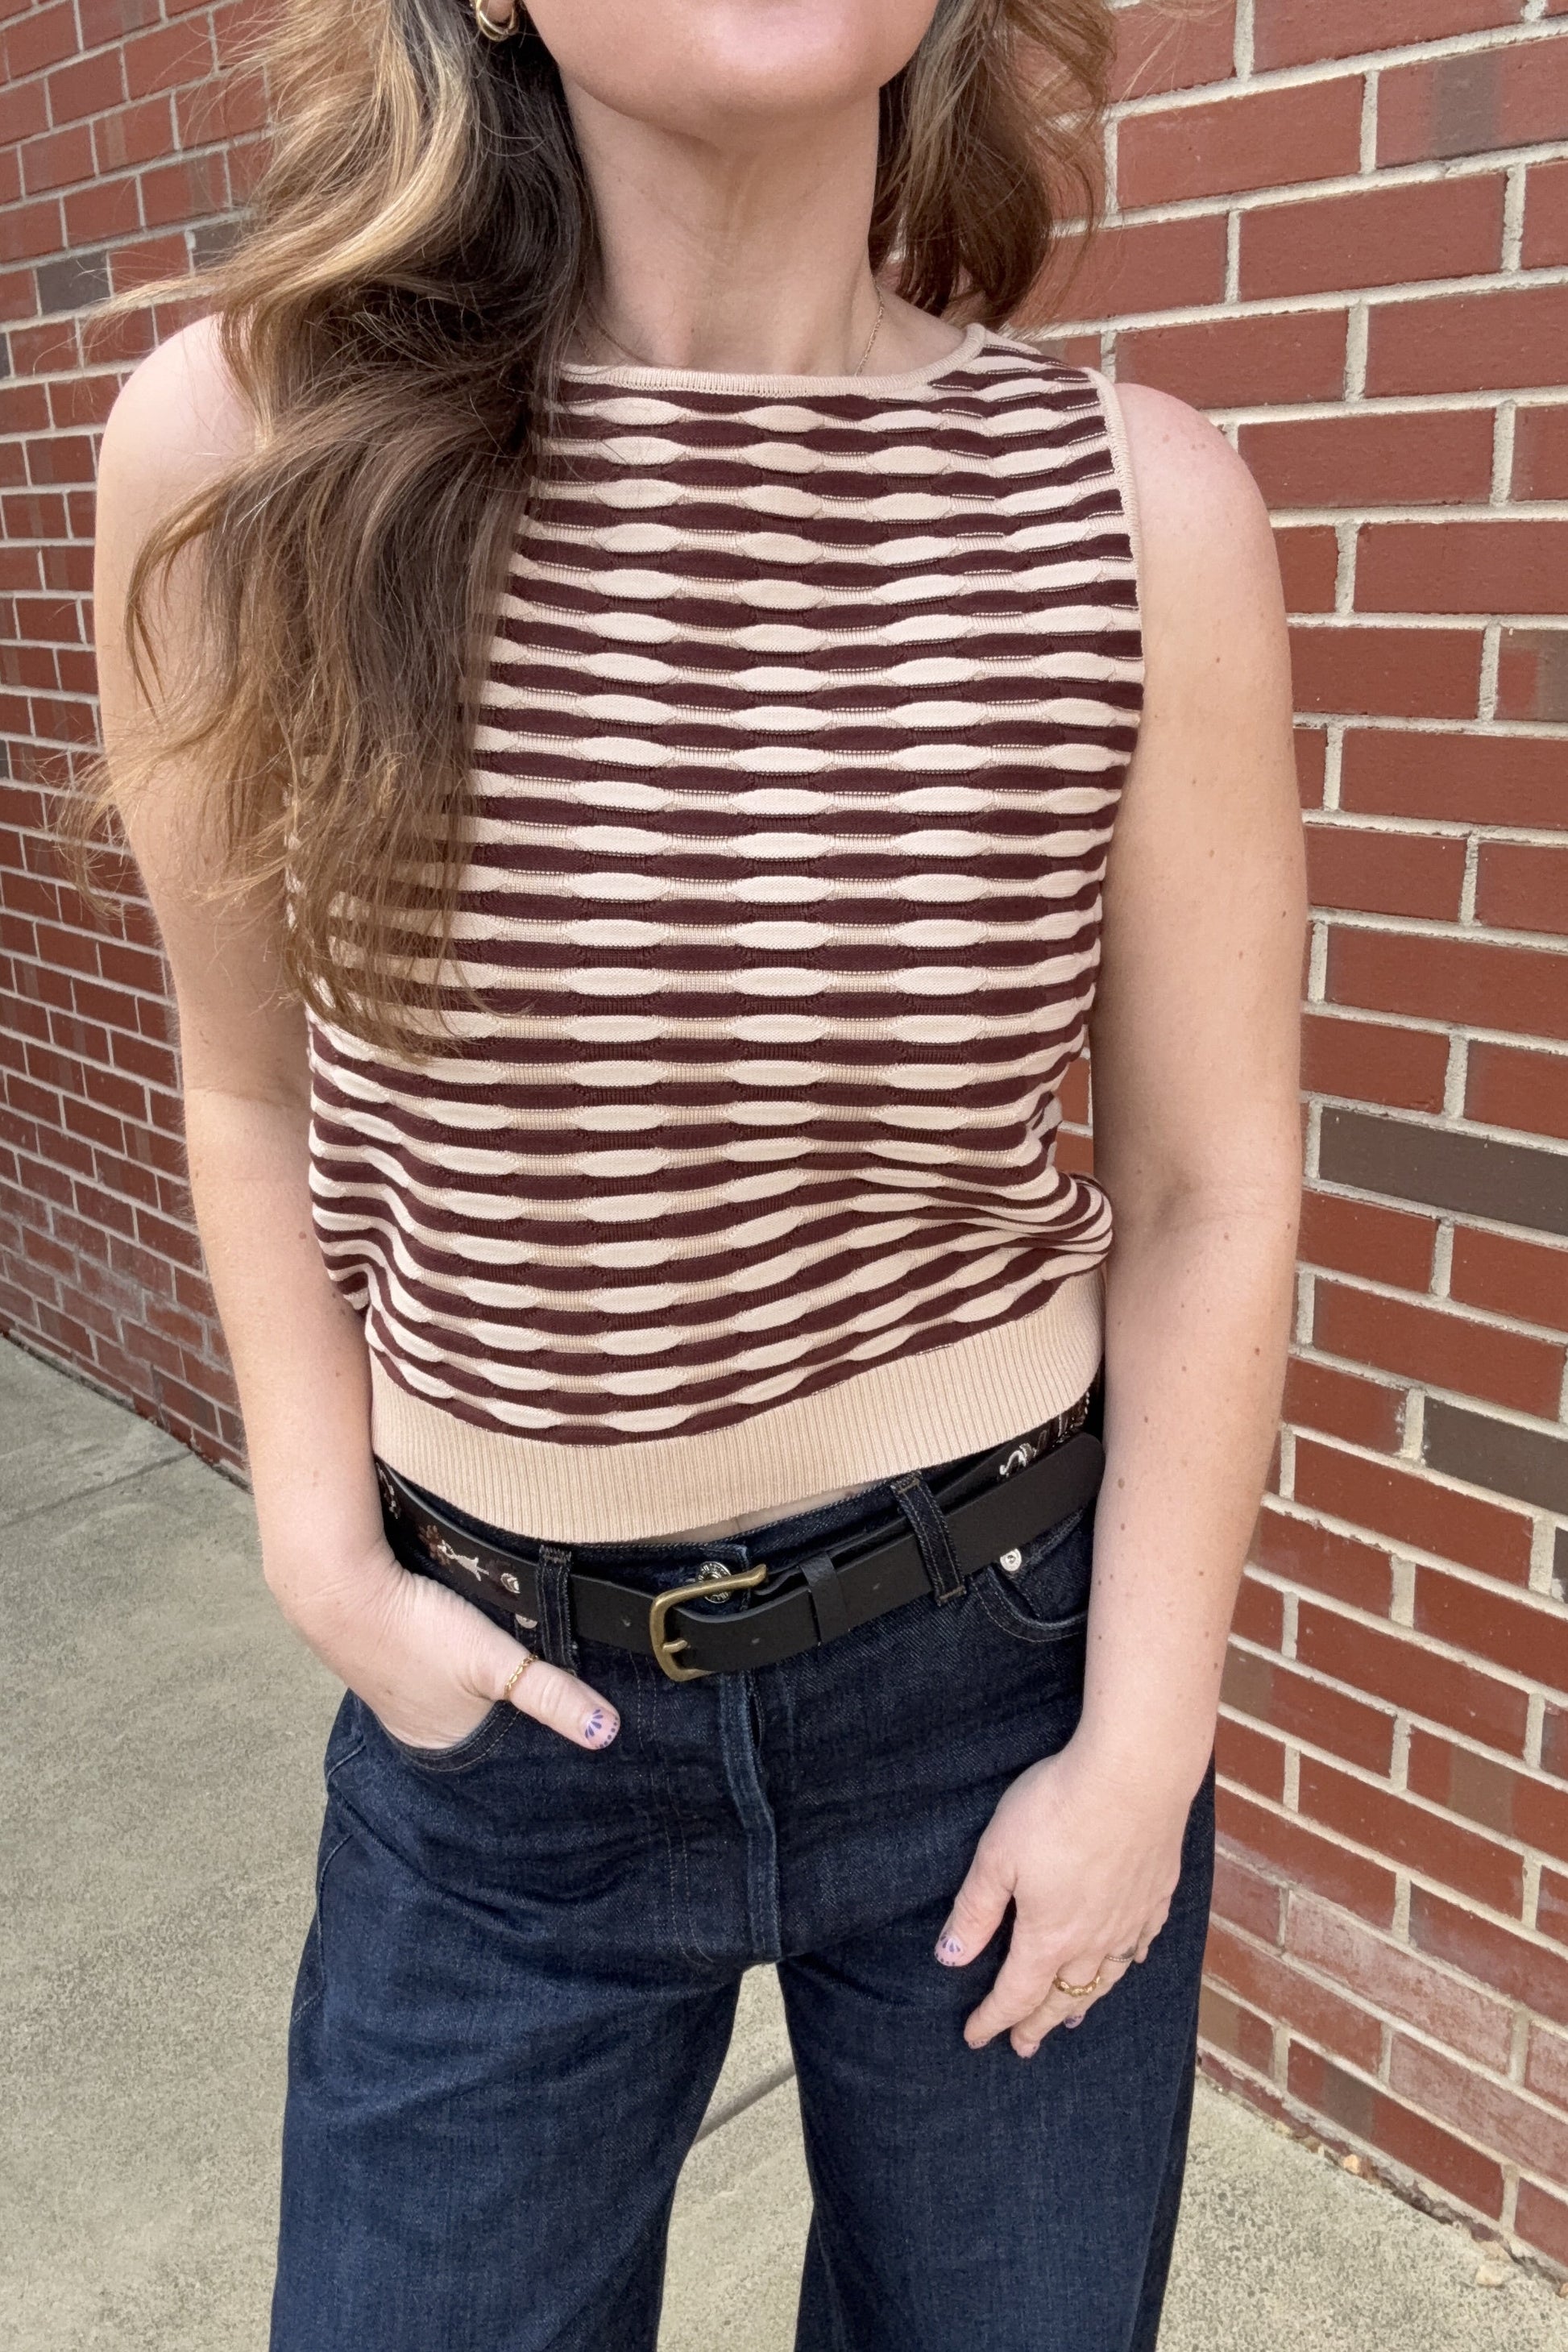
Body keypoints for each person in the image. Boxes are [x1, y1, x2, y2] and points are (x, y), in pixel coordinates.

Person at [85, 1, 1305, 2345]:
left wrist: (1141, 1752)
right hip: (503, 1734)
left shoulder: (1138, 509)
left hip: (997, 1681)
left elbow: (1207, 1183)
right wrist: (324, 1555)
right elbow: (243, 1085)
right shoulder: (250, 450)